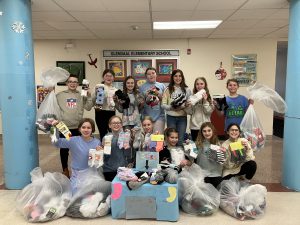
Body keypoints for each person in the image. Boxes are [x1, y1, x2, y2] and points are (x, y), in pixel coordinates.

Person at [56, 74, 93, 178]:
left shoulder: (82, 95)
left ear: (78, 84)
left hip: (78, 127)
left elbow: (89, 107)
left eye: (75, 82)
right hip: (64, 127)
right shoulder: (59, 95)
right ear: (67, 83)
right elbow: (53, 108)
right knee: (64, 150)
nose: (73, 83)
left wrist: (89, 95)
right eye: (70, 81)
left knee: (79, 149)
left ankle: (79, 169)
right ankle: (65, 170)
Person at [52, 118, 101, 192]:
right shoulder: (73, 140)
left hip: (91, 176)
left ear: (92, 129)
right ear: (79, 129)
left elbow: (97, 164)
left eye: (89, 128)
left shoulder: (97, 142)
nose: (86, 130)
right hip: (77, 176)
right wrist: (54, 128)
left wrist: (99, 153)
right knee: (75, 196)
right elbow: (56, 143)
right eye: (83, 127)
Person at [162, 69, 192, 146]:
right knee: (171, 139)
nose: (178, 78)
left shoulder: (187, 90)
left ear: (182, 77)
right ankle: (171, 157)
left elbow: (190, 105)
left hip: (182, 118)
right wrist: (172, 107)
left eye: (180, 76)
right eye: (175, 76)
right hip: (170, 117)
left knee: (180, 140)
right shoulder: (168, 89)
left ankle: (179, 157)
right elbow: (163, 104)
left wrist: (184, 106)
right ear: (172, 77)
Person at [102, 115, 133, 182]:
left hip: (123, 170)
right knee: (112, 191)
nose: (116, 124)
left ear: (121, 125)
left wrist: (128, 142)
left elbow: (128, 155)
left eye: (118, 123)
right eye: (114, 123)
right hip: (109, 170)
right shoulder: (106, 138)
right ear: (109, 125)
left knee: (120, 191)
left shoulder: (126, 136)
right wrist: (104, 148)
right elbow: (106, 155)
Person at [195, 122, 223, 188]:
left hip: (215, 174)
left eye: (209, 130)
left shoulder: (218, 144)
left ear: (212, 131)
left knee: (218, 191)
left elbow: (221, 161)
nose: (207, 133)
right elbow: (192, 159)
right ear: (201, 132)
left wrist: (220, 154)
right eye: (204, 131)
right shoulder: (198, 144)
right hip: (203, 174)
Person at [186, 77, 214, 141]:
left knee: (206, 145)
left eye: (201, 84)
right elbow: (189, 112)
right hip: (194, 126)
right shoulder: (192, 97)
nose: (199, 86)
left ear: (205, 85)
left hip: (206, 127)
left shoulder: (209, 97)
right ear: (195, 86)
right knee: (196, 146)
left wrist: (205, 101)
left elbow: (208, 112)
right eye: (197, 84)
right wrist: (188, 106)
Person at [139, 67, 166, 134]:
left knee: (157, 139)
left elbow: (166, 102)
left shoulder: (162, 86)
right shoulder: (142, 87)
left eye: (153, 73)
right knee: (147, 140)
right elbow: (140, 105)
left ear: (156, 74)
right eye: (149, 74)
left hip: (159, 117)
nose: (151, 75)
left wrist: (158, 94)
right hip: (146, 117)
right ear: (146, 76)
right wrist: (145, 98)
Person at [94, 69, 117, 140]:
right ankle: (103, 150)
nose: (109, 77)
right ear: (103, 77)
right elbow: (93, 99)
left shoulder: (115, 90)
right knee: (103, 133)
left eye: (111, 76)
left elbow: (116, 104)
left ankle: (112, 150)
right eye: (107, 75)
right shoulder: (98, 87)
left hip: (111, 112)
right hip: (100, 112)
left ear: (113, 78)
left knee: (112, 133)